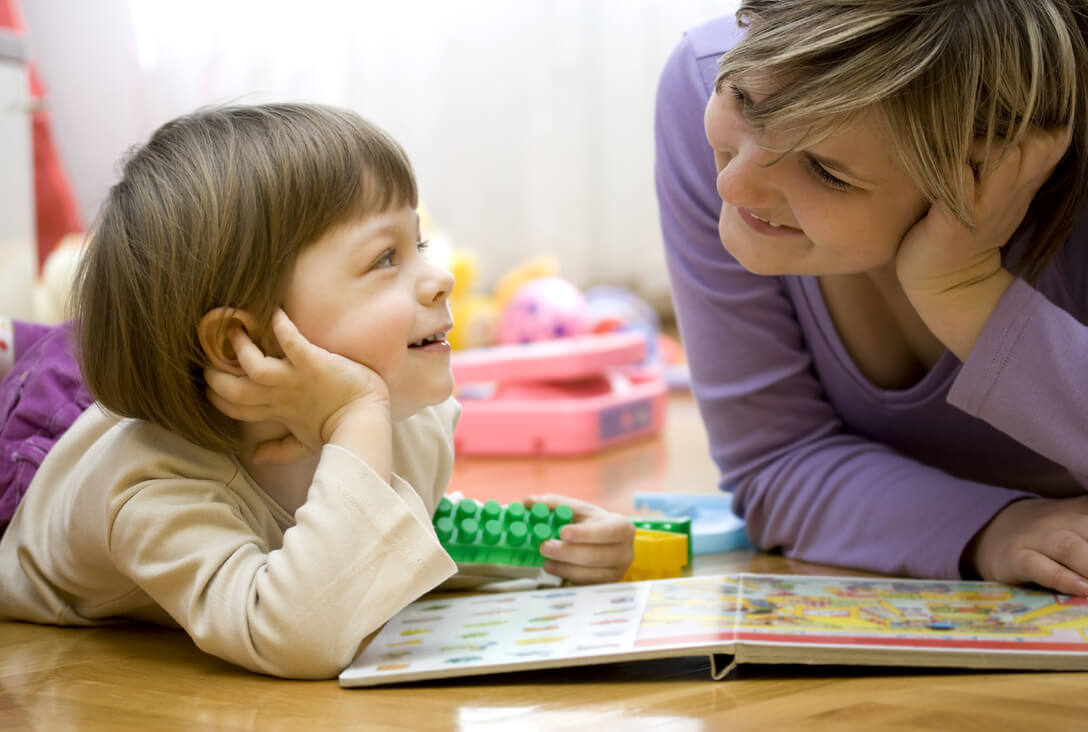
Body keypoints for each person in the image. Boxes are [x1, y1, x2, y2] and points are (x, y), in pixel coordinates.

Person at [0, 103, 634, 679]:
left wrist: (548, 552)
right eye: (385, 259)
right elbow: (296, 632)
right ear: (241, 347)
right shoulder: (149, 488)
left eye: (416, 244)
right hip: (41, 456)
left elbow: (378, 540)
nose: (440, 277)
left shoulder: (400, 420)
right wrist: (357, 419)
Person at [656, 1, 1088, 596]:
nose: (732, 185)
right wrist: (994, 530)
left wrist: (965, 291)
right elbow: (774, 464)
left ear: (989, 166)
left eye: (827, 172)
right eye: (742, 101)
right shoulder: (703, 75)